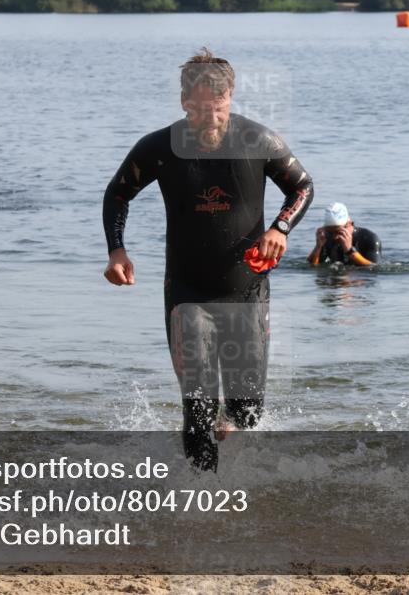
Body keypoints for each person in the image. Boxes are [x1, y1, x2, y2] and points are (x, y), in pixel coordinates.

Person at [102, 48, 314, 472]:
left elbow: (303, 187)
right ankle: (203, 500)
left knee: (246, 412)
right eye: (199, 109)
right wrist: (117, 250)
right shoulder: (159, 147)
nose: (209, 119)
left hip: (246, 290)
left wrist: (280, 229)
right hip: (187, 291)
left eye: (217, 109)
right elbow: (118, 193)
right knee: (198, 404)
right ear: (184, 102)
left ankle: (232, 450)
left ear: (230, 98)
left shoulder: (258, 141)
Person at [307, 202, 381, 266]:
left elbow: (374, 269)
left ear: (350, 224)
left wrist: (350, 251)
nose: (334, 237)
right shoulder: (326, 237)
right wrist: (318, 247)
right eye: (329, 231)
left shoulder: (369, 239)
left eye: (338, 231)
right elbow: (313, 266)